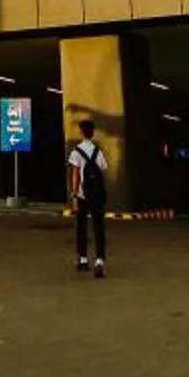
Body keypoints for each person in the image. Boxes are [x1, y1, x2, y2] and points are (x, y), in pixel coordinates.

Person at [67, 117, 111, 278]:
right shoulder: (98, 152)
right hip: (96, 195)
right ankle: (99, 260)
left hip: (82, 195)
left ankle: (83, 260)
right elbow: (102, 172)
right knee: (99, 227)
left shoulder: (75, 152)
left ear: (81, 133)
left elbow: (75, 176)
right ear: (93, 133)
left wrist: (74, 195)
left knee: (82, 227)